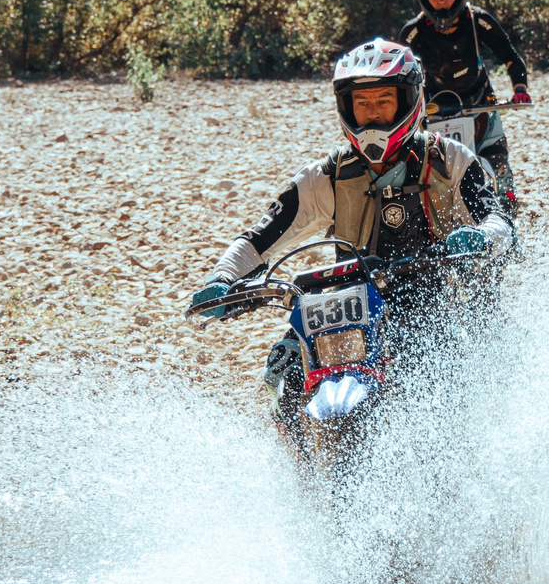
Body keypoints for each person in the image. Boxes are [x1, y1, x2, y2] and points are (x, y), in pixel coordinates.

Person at [185, 39, 512, 420]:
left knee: (448, 374)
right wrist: (223, 277)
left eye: (383, 101)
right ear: (347, 107)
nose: (372, 114)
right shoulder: (328, 175)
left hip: (426, 303)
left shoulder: (449, 159)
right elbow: (259, 238)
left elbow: (497, 217)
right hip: (342, 308)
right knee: (283, 371)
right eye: (362, 103)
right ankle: (305, 476)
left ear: (409, 101)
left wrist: (483, 236)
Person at [399, 0, 530, 206]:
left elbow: (511, 56)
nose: (441, 2)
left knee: (499, 163)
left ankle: (507, 208)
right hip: (436, 109)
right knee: (426, 170)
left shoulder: (478, 20)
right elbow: (397, 74)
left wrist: (520, 89)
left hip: (482, 102)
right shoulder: (413, 31)